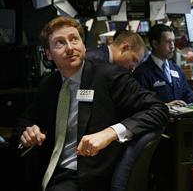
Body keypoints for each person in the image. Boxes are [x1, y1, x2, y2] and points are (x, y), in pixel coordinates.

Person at [17, 17, 169, 191]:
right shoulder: (49, 84)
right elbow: (27, 118)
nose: (70, 48)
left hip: (87, 177)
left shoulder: (109, 76)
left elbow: (159, 109)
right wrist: (29, 131)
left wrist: (111, 132)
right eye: (60, 43)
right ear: (49, 54)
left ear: (83, 44)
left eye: (74, 39)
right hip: (48, 170)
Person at [133, 24, 193, 106]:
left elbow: (188, 95)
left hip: (180, 117)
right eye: (168, 42)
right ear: (155, 44)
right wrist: (166, 106)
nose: (172, 46)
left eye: (173, 41)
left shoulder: (176, 69)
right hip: (159, 117)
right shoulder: (142, 73)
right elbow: (141, 104)